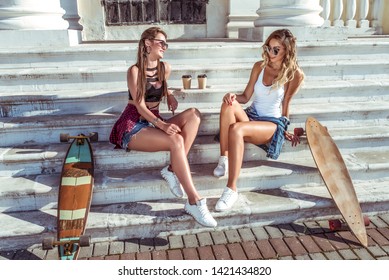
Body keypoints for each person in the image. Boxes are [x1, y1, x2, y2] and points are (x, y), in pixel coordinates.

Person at [109, 27, 217, 227]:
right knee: (176, 138)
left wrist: (169, 95)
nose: (165, 47)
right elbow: (140, 106)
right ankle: (194, 200)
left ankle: (171, 169)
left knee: (194, 114)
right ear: (148, 43)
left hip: (154, 119)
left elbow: (162, 85)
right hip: (133, 124)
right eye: (161, 43)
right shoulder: (134, 71)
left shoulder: (165, 67)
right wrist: (162, 124)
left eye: (166, 44)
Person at [213, 29, 304, 212]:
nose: (271, 53)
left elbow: (286, 104)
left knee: (237, 129)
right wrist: (232, 95)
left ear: (287, 50)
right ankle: (224, 158)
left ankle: (231, 189)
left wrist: (286, 128)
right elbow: (246, 96)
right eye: (268, 48)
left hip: (271, 124)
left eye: (276, 50)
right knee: (228, 104)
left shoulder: (294, 74)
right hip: (252, 116)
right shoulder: (259, 66)